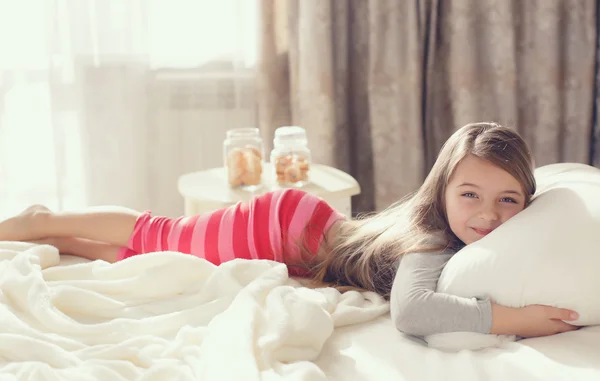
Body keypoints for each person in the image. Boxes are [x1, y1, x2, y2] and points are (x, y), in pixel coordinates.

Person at [0, 122, 579, 339]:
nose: (488, 214)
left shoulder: (488, 238)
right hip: (280, 227)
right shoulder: (431, 242)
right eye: (470, 196)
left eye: (509, 200)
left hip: (302, 230)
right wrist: (516, 319)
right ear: (442, 193)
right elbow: (413, 312)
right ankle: (43, 220)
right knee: (160, 233)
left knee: (143, 244)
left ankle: (59, 240)